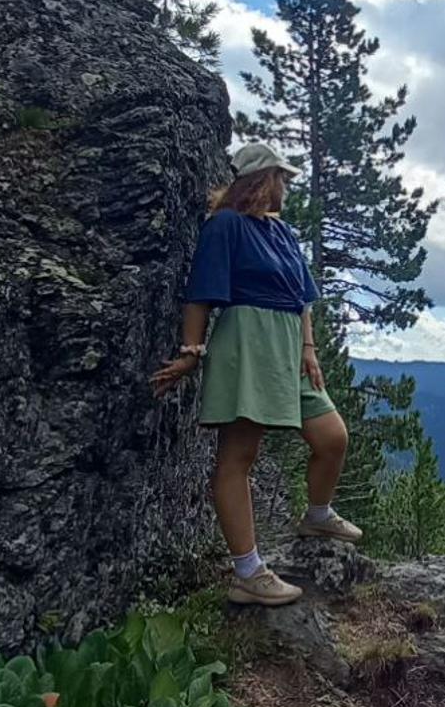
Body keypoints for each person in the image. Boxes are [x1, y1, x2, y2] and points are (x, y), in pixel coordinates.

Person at [150, 143, 361, 607]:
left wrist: (309, 349)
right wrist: (191, 352)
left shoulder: (281, 231)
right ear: (264, 179)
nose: (286, 186)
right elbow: (201, 293)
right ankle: (247, 571)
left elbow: (301, 297)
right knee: (238, 457)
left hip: (287, 347)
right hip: (246, 340)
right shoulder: (225, 225)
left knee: (331, 437)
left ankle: (318, 514)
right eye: (281, 178)